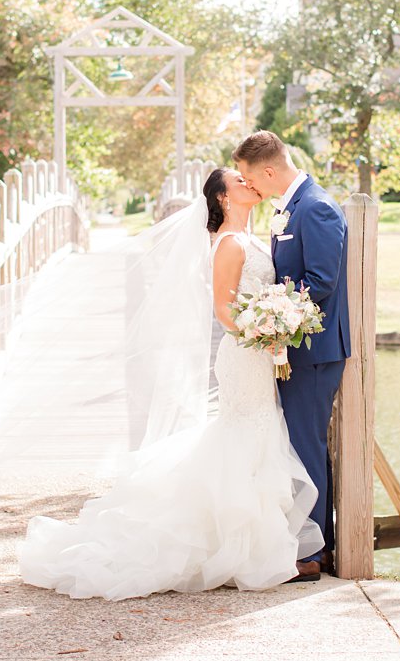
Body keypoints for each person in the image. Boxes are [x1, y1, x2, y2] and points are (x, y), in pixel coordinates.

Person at [18, 167, 325, 600]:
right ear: (221, 199)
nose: (249, 184)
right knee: (247, 432)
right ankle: (242, 549)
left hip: (259, 355)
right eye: (239, 182)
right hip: (244, 354)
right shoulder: (230, 244)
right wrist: (263, 330)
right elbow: (223, 309)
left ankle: (252, 545)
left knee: (255, 435)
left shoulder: (253, 237)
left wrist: (274, 324)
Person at [232, 130, 350, 578]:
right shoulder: (292, 207)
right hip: (295, 347)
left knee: (306, 446)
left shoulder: (316, 208)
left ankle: (315, 552)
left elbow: (320, 283)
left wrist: (271, 311)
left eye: (250, 178)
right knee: (299, 446)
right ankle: (312, 541)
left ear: (267, 170)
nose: (252, 188)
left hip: (315, 352)